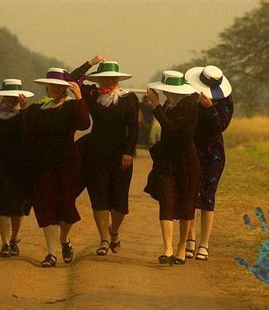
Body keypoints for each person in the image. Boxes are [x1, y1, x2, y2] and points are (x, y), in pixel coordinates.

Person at [71, 56, 139, 256]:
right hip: (96, 151)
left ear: (118, 79)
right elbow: (72, 78)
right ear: (99, 78)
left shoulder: (128, 98)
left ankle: (114, 231)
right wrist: (90, 63)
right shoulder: (92, 94)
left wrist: (128, 151)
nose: (108, 81)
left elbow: (134, 128)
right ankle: (103, 239)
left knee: (119, 201)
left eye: (112, 78)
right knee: (98, 196)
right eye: (105, 78)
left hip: (121, 154)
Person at [27, 68, 90, 267]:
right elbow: (28, 135)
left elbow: (84, 124)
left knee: (66, 207)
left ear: (64, 88)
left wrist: (79, 98)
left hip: (67, 162)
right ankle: (51, 252)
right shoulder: (36, 109)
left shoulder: (71, 107)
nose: (54, 88)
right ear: (46, 86)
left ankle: (64, 239)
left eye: (58, 86)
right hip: (42, 163)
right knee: (46, 205)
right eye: (51, 85)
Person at [144, 70, 200, 265]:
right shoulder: (168, 104)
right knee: (166, 201)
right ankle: (167, 248)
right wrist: (159, 105)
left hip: (186, 159)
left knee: (186, 204)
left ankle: (181, 247)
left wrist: (156, 106)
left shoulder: (190, 105)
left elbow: (171, 127)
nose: (166, 94)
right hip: (167, 160)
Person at [184, 65, 234, 261]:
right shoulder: (190, 95)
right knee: (189, 193)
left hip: (213, 152)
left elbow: (220, 126)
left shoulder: (225, 101)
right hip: (191, 148)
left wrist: (210, 108)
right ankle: (189, 239)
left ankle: (204, 243)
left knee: (208, 197)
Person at [0, 79, 35, 258]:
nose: (12, 99)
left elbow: (27, 133)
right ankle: (5, 242)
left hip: (22, 165)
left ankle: (14, 239)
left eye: (15, 97)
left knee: (18, 205)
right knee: (2, 204)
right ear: (3, 96)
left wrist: (23, 111)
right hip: (0, 163)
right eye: (9, 96)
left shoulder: (27, 114)